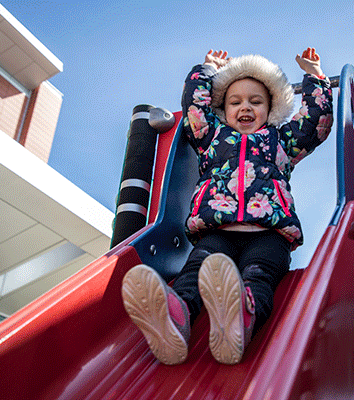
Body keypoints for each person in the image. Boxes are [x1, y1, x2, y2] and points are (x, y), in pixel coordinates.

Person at [122, 48, 333, 365]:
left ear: (271, 108)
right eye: (236, 101)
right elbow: (194, 107)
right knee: (194, 275)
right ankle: (174, 317)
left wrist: (315, 76)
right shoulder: (211, 137)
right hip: (216, 232)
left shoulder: (282, 142)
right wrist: (207, 70)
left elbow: (315, 122)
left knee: (257, 278)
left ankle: (239, 320)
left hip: (269, 235)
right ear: (223, 107)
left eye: (255, 101)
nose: (245, 107)